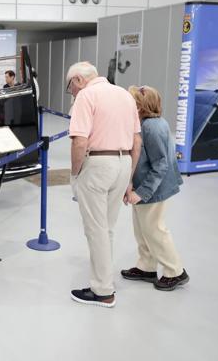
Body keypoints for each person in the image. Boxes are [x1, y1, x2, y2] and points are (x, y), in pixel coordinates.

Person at [67, 61, 141, 308]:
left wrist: (75, 174)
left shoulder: (86, 96)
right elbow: (137, 140)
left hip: (97, 165)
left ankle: (102, 291)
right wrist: (129, 176)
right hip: (123, 163)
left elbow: (79, 142)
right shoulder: (124, 95)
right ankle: (104, 279)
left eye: (70, 88)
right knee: (107, 228)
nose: (72, 93)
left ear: (78, 80)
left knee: (95, 229)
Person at [122, 85, 189, 291]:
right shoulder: (146, 124)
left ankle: (175, 272)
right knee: (142, 230)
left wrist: (140, 193)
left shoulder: (152, 127)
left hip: (153, 189)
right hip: (145, 186)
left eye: (132, 102)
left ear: (141, 106)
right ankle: (146, 267)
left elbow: (161, 165)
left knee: (155, 230)